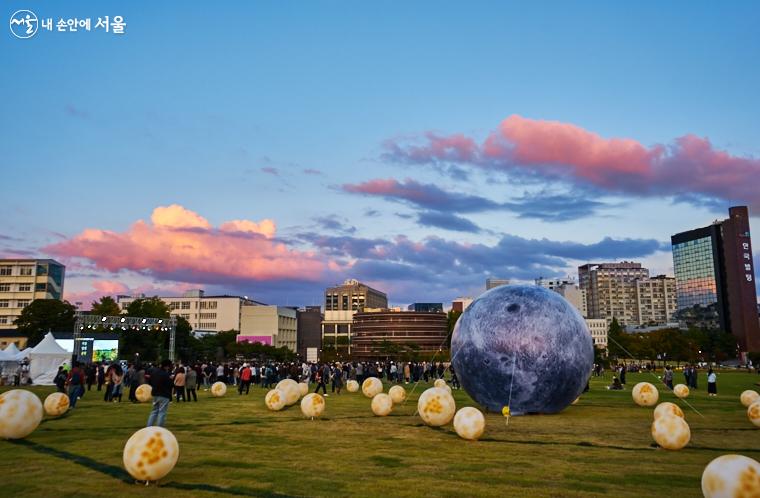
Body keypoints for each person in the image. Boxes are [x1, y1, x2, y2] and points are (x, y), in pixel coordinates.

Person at [146, 360, 173, 427]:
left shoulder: (154, 372)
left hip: (155, 394)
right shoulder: (165, 374)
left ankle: (149, 426)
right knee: (162, 412)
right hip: (164, 394)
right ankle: (160, 428)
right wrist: (171, 379)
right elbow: (170, 385)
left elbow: (150, 381)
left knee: (154, 411)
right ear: (166, 366)